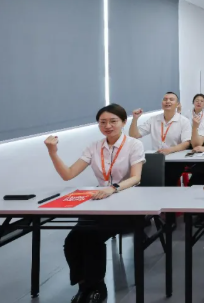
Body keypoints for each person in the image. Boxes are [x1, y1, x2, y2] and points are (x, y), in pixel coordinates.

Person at [44, 104, 145, 303]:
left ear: (124, 122)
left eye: (113, 121)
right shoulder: (94, 147)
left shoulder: (134, 145)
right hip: (99, 203)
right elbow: (68, 174)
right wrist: (53, 152)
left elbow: (136, 177)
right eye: (103, 122)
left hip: (127, 204)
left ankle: (96, 288)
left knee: (91, 237)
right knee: (73, 241)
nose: (108, 126)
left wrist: (113, 188)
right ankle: (85, 286)